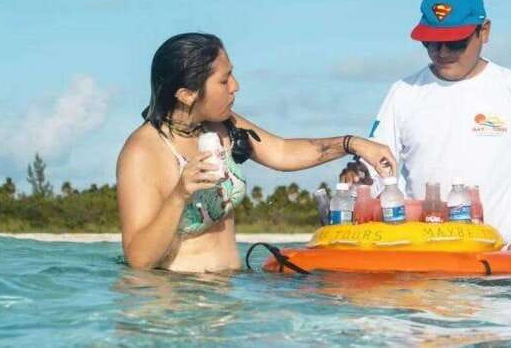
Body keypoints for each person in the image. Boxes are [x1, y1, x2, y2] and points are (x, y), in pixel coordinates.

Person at [117, 32, 397, 273]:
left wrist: (353, 143)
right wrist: (180, 195)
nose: (235, 86)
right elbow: (139, 260)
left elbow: (284, 152)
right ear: (187, 94)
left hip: (228, 295)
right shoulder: (143, 151)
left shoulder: (224, 124)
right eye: (224, 81)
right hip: (177, 302)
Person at [340, 0, 511, 260]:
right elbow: (380, 177)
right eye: (430, 42)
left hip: (499, 267)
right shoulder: (403, 92)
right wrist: (363, 182)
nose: (442, 52)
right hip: (425, 266)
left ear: (484, 31)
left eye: (454, 42)